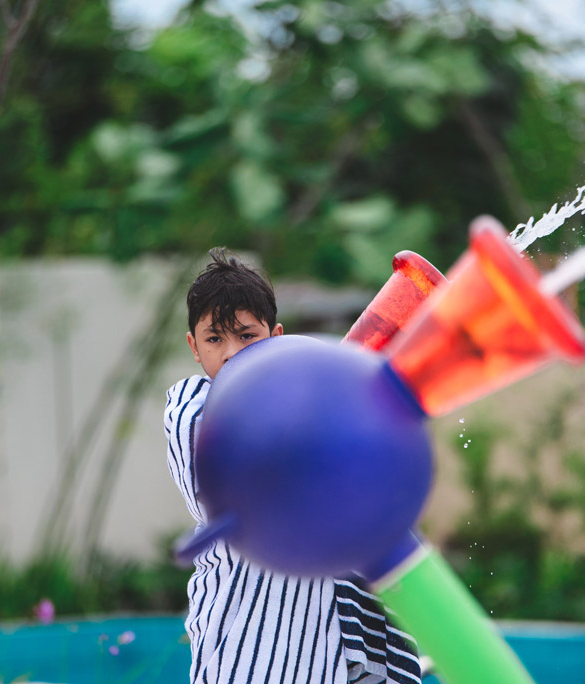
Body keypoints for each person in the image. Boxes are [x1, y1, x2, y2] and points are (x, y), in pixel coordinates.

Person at [164, 248, 422, 684]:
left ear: (277, 337)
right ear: (194, 347)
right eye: (215, 340)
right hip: (238, 648)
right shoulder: (190, 409)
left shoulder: (317, 403)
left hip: (325, 653)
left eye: (247, 336)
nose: (231, 353)